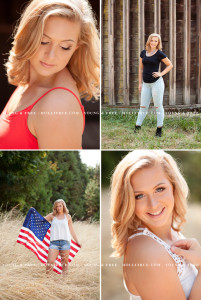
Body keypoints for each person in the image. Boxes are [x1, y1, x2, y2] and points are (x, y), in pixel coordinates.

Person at [0, 0, 99, 149]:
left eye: (65, 47)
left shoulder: (58, 104)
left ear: (76, 48)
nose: (51, 55)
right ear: (28, 36)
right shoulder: (33, 80)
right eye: (44, 41)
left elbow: (59, 169)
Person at [110, 150, 201, 299]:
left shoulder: (170, 235)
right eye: (139, 196)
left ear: (173, 187)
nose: (153, 205)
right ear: (128, 201)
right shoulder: (147, 252)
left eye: (159, 189)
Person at [135, 34, 173, 137]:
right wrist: (140, 83)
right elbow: (140, 69)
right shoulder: (143, 53)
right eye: (152, 40)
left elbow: (170, 65)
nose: (153, 42)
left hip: (157, 84)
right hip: (146, 84)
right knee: (143, 106)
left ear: (158, 43)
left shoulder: (159, 54)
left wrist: (161, 73)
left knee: (158, 106)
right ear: (149, 41)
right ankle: (137, 127)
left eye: (156, 41)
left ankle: (159, 129)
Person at [44, 199, 80, 275]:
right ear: (55, 207)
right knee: (50, 261)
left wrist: (77, 241)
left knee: (64, 263)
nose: (59, 208)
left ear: (63, 206)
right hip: (54, 243)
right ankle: (47, 280)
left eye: (60, 206)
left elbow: (71, 230)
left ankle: (64, 282)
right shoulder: (52, 216)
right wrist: (33, 212)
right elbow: (41, 221)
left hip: (65, 243)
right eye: (57, 206)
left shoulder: (68, 216)